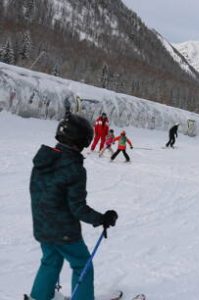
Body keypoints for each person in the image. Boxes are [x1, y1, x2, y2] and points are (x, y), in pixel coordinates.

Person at [28, 112, 118, 300]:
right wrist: (102, 218)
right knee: (82, 264)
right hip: (64, 231)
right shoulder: (74, 168)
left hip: (42, 226)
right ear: (80, 140)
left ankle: (39, 296)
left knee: (50, 261)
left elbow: (38, 193)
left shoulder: (43, 161)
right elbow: (77, 207)